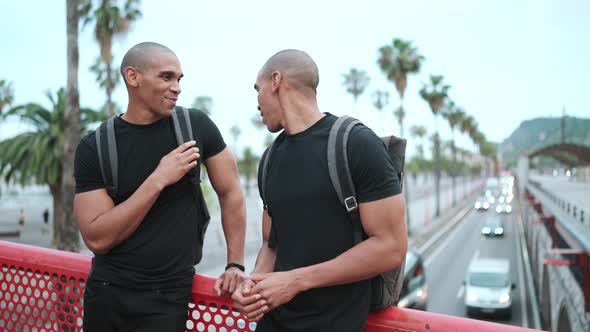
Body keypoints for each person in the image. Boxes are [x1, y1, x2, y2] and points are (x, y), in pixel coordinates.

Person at [73, 42, 247, 332]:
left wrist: (236, 264)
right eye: (166, 77)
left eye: (179, 79)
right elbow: (97, 238)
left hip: (169, 297)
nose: (177, 87)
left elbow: (231, 193)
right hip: (107, 293)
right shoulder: (96, 146)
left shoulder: (195, 127)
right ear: (133, 77)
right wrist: (158, 179)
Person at [231, 49, 408, 331]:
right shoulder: (270, 159)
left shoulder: (357, 144)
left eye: (258, 89)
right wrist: (254, 284)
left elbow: (391, 246)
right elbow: (271, 244)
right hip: (273, 324)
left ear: (276, 81)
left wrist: (295, 280)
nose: (257, 103)